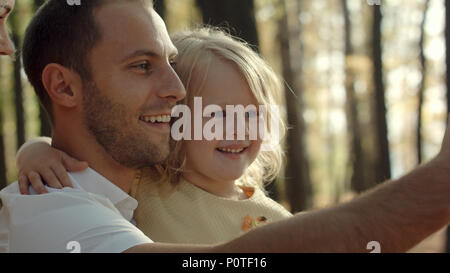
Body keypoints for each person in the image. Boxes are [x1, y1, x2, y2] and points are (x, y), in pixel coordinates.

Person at [0, 0, 449, 253]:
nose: (173, 90)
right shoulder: (48, 209)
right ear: (63, 86)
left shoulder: (113, 190)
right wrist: (436, 185)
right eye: (141, 65)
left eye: (171, 66)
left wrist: (35, 148)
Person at [15, 27, 293, 244]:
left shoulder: (280, 220)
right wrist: (36, 150)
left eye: (251, 114)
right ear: (171, 118)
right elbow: (78, 154)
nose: (239, 129)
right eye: (218, 115)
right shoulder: (142, 183)